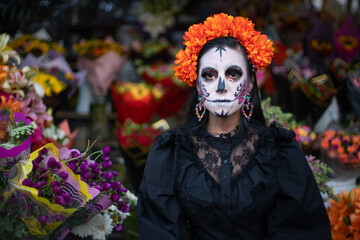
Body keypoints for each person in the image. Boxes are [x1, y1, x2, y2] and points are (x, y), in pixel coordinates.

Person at [137, 13, 331, 239]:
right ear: (198, 85)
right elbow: (160, 230)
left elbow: (300, 229)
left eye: (233, 74)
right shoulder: (171, 152)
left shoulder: (279, 151)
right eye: (209, 75)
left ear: (249, 83)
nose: (220, 86)